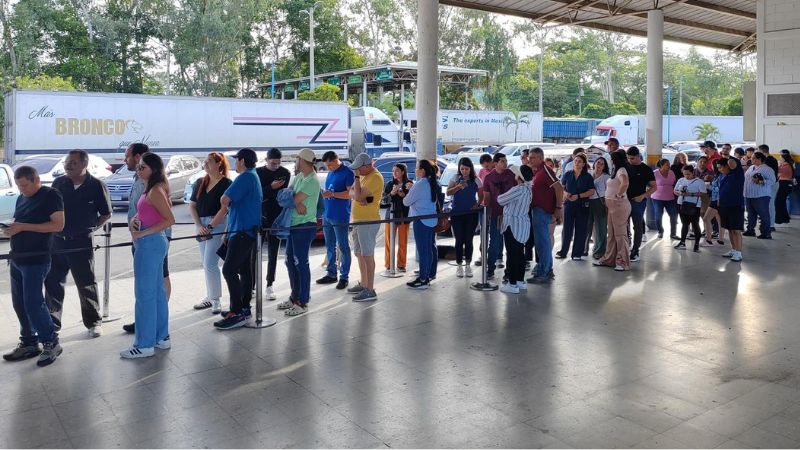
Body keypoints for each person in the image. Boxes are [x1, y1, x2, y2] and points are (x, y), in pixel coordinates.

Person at [44, 149, 111, 338]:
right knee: (52, 283)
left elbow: (106, 214)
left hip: (81, 243)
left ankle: (93, 322)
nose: (68, 165)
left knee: (86, 283)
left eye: (73, 162)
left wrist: (90, 229)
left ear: (84, 164)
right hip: (56, 242)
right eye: (66, 162)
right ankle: (52, 323)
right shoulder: (59, 183)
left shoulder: (97, 185)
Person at [3, 166, 64, 366]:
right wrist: (11, 229)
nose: (22, 190)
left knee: (33, 303)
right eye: (19, 186)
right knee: (19, 304)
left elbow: (58, 225)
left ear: (36, 179)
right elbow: (20, 221)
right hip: (18, 257)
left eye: (25, 186)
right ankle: (29, 342)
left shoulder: (51, 195)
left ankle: (50, 342)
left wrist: (23, 227)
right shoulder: (22, 197)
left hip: (37, 259)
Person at [120, 153, 175, 358]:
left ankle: (144, 344)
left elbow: (169, 219)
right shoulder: (151, 188)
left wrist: (142, 233)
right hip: (152, 242)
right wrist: (136, 219)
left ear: (153, 169)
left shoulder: (155, 190)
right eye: (138, 166)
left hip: (150, 244)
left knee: (145, 294)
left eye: (142, 167)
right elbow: (149, 213)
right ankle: (161, 337)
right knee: (156, 292)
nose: (138, 169)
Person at [214, 148, 263, 330]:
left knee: (229, 270)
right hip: (243, 230)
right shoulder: (253, 176)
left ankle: (237, 312)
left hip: (242, 232)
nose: (235, 163)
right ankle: (244, 307)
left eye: (236, 160)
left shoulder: (245, 177)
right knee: (244, 270)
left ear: (242, 161)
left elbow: (225, 199)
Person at [276, 148, 320, 315]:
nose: (295, 162)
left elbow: (289, 198)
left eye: (297, 159)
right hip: (294, 224)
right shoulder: (300, 177)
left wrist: (293, 200)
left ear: (302, 160)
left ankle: (302, 301)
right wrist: (295, 201)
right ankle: (294, 297)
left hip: (304, 225)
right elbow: (282, 196)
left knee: (301, 263)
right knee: (289, 260)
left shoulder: (312, 181)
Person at [190, 152, 232, 314]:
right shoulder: (200, 182)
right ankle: (210, 296)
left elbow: (225, 208)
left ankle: (215, 299)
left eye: (209, 162)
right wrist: (200, 225)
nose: (205, 165)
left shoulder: (226, 183)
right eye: (205, 162)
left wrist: (210, 226)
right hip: (201, 225)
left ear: (219, 164)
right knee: (205, 263)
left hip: (218, 224)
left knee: (210, 263)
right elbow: (192, 205)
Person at [346, 153, 384, 302]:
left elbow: (359, 197)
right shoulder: (364, 176)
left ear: (368, 165)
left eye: (358, 169)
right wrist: (358, 195)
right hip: (358, 220)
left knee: (367, 255)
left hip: (368, 221)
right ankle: (364, 283)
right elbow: (351, 193)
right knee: (359, 253)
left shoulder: (375, 177)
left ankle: (370, 289)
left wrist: (358, 192)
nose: (357, 172)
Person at [256, 148, 291, 300]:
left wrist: (272, 192)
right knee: (255, 252)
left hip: (277, 217)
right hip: (260, 216)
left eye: (278, 163)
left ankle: (270, 284)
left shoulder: (285, 173)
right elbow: (257, 195)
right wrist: (271, 188)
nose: (276, 166)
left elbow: (281, 196)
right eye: (273, 163)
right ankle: (252, 284)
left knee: (273, 252)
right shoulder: (258, 173)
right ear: (266, 160)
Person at [317, 151, 354, 290]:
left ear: (336, 160)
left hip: (340, 215)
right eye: (326, 165)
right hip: (328, 214)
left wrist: (332, 194)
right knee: (329, 245)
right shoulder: (330, 173)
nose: (328, 167)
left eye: (330, 164)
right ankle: (331, 273)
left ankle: (344, 277)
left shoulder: (348, 173)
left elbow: (350, 194)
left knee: (343, 246)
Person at [527, 147, 563, 284]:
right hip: (537, 210)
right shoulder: (537, 172)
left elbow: (559, 188)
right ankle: (543, 267)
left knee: (543, 243)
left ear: (541, 158)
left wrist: (558, 208)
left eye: (533, 157)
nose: (530, 160)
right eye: (529, 157)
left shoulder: (545, 171)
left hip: (543, 211)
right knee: (541, 243)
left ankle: (545, 271)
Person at [496, 165, 532, 294]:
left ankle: (512, 284)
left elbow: (500, 200)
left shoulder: (518, 189)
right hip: (523, 225)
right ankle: (520, 281)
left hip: (512, 225)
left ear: (519, 177)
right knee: (520, 254)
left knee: (511, 255)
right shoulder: (529, 188)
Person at [404, 160, 439, 289]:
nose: (415, 170)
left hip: (421, 221)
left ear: (423, 170)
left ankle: (423, 279)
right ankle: (427, 275)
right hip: (431, 220)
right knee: (429, 249)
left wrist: (410, 190)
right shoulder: (431, 182)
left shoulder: (420, 184)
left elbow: (406, 202)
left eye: (417, 168)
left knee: (423, 250)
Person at [594, 150, 630, 271]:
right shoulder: (616, 170)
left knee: (620, 235)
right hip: (612, 206)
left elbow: (625, 183)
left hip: (619, 206)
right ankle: (609, 259)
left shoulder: (621, 170)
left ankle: (622, 261)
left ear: (614, 160)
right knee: (612, 235)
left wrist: (619, 195)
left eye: (610, 158)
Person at [482, 153, 516, 280]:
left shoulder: (511, 175)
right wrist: (487, 212)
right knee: (494, 243)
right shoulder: (489, 178)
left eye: (506, 161)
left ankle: (509, 271)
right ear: (495, 163)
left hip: (511, 214)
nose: (505, 163)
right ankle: (490, 269)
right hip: (496, 215)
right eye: (502, 161)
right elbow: (486, 197)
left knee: (511, 243)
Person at [556, 153, 595, 261]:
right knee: (567, 228)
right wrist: (566, 194)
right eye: (575, 161)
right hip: (569, 204)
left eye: (579, 161)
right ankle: (563, 251)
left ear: (583, 164)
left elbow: (591, 191)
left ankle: (577, 253)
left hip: (582, 205)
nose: (577, 163)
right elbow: (561, 188)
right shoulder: (568, 174)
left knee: (581, 229)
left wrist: (578, 196)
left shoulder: (588, 176)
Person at [447, 157, 481, 277]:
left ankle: (468, 265)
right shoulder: (455, 178)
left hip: (471, 214)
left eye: (466, 169)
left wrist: (477, 204)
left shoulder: (476, 180)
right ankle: (459, 265)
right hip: (457, 213)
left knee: (468, 239)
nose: (464, 171)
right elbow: (448, 192)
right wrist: (457, 187)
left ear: (470, 168)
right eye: (462, 169)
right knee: (459, 239)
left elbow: (481, 194)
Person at [625, 146, 656, 262]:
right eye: (628, 158)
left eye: (632, 158)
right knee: (623, 225)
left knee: (637, 226)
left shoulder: (646, 169)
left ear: (638, 156)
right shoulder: (625, 167)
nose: (630, 160)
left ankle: (635, 250)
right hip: (624, 201)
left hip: (638, 202)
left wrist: (642, 196)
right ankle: (625, 246)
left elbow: (654, 187)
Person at [383, 163, 412, 272]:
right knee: (388, 241)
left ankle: (401, 264)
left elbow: (411, 199)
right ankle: (389, 264)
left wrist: (402, 193)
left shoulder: (409, 184)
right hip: (390, 214)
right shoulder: (390, 184)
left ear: (403, 172)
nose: (394, 173)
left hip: (404, 215)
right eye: (393, 171)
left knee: (403, 241)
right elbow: (384, 200)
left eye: (397, 171)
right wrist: (391, 193)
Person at [717, 157, 745, 261]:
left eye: (720, 167)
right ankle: (733, 249)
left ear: (727, 166)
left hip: (736, 206)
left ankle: (738, 252)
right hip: (725, 207)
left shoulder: (737, 174)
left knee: (736, 230)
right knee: (729, 229)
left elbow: (733, 162)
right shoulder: (725, 176)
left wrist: (727, 156)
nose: (719, 170)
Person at [743, 151, 776, 239]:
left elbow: (772, 181)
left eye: (753, 158)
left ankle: (766, 233)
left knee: (763, 214)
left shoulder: (767, 169)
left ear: (760, 159)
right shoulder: (751, 167)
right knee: (751, 214)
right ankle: (750, 230)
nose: (751, 159)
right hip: (748, 194)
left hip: (761, 195)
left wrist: (762, 181)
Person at [673, 165, 705, 252]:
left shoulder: (699, 181)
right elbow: (675, 190)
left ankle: (697, 244)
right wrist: (680, 193)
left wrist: (690, 194)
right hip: (682, 204)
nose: (686, 176)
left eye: (688, 174)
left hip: (695, 205)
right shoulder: (681, 180)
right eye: (684, 174)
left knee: (695, 224)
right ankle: (682, 242)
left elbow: (703, 193)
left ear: (693, 172)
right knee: (684, 224)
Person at [586, 157, 609, 259]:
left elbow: (608, 192)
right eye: (598, 162)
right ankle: (584, 249)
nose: (599, 165)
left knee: (601, 228)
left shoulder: (606, 177)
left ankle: (600, 250)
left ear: (604, 167)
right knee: (586, 227)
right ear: (594, 163)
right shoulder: (588, 174)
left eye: (602, 164)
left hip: (600, 202)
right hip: (587, 202)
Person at [651, 158, 678, 240]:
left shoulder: (671, 172)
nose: (669, 166)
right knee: (658, 216)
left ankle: (673, 233)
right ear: (661, 165)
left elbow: (674, 182)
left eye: (669, 164)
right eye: (667, 164)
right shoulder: (655, 173)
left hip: (670, 197)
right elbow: (649, 183)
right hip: (657, 198)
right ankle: (660, 231)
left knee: (673, 215)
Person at [701, 159, 726, 247]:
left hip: (716, 200)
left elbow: (719, 189)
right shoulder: (719, 175)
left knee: (706, 218)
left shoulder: (720, 176)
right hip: (718, 200)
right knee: (719, 220)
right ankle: (721, 239)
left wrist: (709, 187)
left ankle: (708, 240)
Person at [776, 152, 795, 226]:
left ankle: (779, 219)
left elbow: (777, 172)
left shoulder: (785, 166)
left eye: (780, 158)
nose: (779, 159)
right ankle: (784, 218)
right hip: (785, 185)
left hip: (784, 185)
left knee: (779, 202)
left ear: (784, 159)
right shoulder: (787, 165)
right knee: (782, 202)